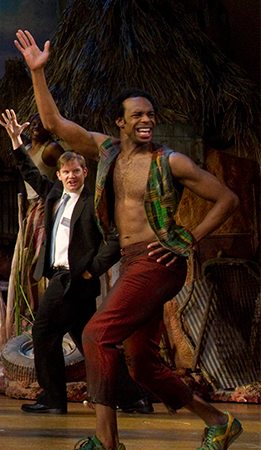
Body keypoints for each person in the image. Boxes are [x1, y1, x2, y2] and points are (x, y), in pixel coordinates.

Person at [16, 29, 242, 450]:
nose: (146, 120)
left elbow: (227, 199)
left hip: (159, 260)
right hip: (131, 261)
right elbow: (54, 124)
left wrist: (189, 238)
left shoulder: (170, 161)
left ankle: (107, 441)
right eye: (137, 115)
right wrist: (38, 74)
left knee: (95, 335)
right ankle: (219, 421)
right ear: (120, 122)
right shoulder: (106, 153)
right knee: (141, 365)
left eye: (150, 115)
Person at [0, 109, 120, 414]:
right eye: (66, 172)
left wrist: (93, 269)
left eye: (76, 171)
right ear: (60, 175)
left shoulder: (93, 202)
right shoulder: (55, 195)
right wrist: (16, 141)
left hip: (73, 280)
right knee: (88, 340)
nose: (71, 176)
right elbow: (30, 173)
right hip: (59, 277)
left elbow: (115, 239)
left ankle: (53, 400)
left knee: (43, 333)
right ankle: (132, 397)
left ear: (85, 173)